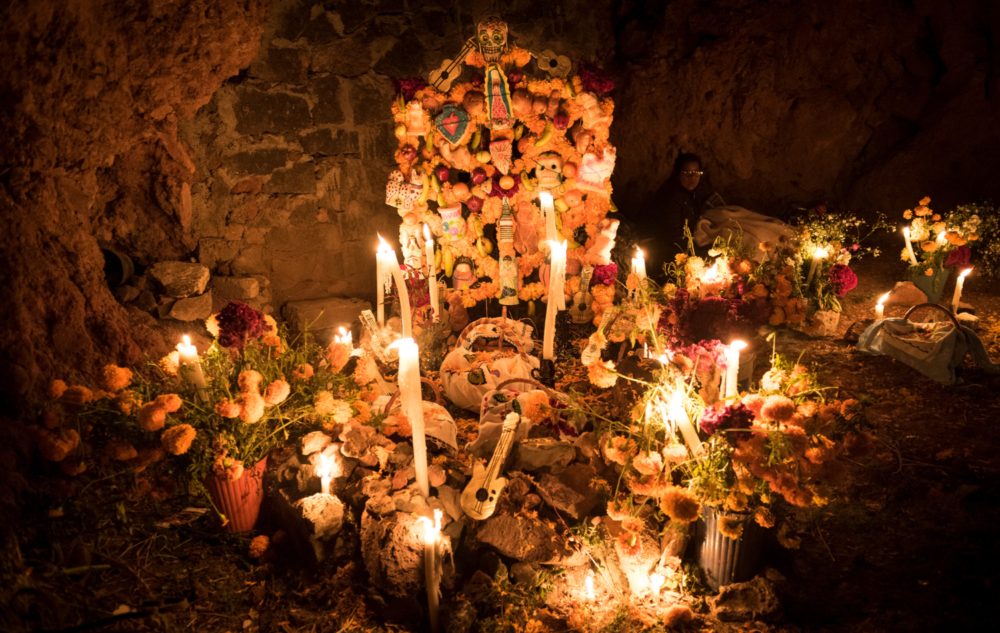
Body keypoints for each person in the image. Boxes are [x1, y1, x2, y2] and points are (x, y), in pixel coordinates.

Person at [628, 153, 717, 281]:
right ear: (677, 173)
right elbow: (671, 233)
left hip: (673, 242)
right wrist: (696, 253)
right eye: (687, 172)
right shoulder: (672, 195)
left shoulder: (690, 194)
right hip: (659, 246)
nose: (692, 177)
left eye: (696, 172)